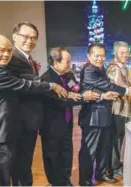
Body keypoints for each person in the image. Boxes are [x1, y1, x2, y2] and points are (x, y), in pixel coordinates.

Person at [0, 34, 66, 186]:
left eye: (9, 51)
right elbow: (24, 84)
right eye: (0, 50)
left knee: (1, 178)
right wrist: (51, 85)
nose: (6, 54)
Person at [40, 47, 104, 186]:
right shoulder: (47, 79)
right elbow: (61, 101)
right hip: (52, 126)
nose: (70, 65)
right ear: (55, 62)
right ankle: (56, 182)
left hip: (67, 123)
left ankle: (66, 179)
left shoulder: (68, 76)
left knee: (67, 153)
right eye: (67, 62)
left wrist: (80, 94)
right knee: (53, 155)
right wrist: (82, 97)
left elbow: (76, 89)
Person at [78, 43, 131, 186]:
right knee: (89, 150)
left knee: (105, 148)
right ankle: (85, 179)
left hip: (105, 115)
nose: (100, 58)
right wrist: (126, 91)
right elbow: (106, 85)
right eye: (96, 55)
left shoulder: (101, 67)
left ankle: (102, 173)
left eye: (102, 55)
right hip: (93, 116)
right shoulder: (88, 70)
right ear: (89, 56)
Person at [6, 22, 45, 186]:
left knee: (24, 161)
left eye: (34, 38)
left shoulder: (28, 59)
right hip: (19, 121)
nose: (30, 40)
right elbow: (32, 84)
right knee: (20, 164)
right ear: (15, 36)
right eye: (26, 37)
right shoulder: (12, 58)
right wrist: (51, 85)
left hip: (29, 120)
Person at [106, 41, 131, 177]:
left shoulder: (125, 68)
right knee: (116, 138)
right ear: (115, 53)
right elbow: (120, 87)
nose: (126, 55)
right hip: (117, 109)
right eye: (122, 52)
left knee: (121, 138)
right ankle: (114, 168)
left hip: (124, 108)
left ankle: (119, 165)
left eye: (127, 52)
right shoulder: (113, 68)